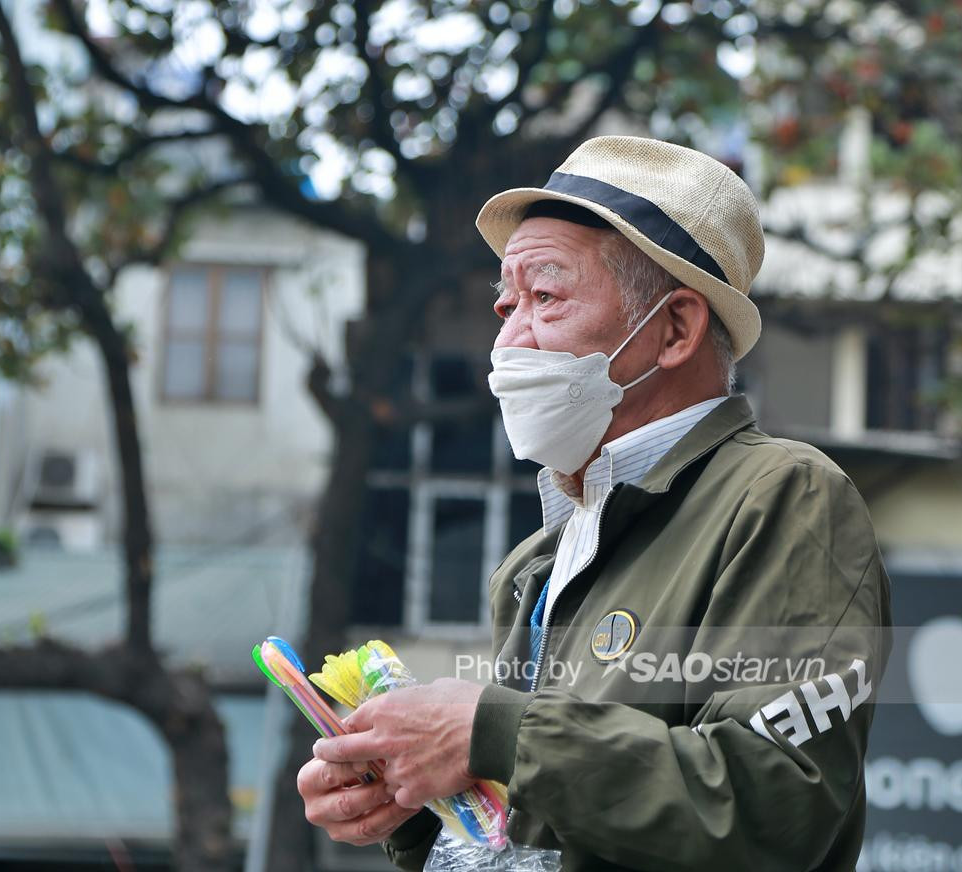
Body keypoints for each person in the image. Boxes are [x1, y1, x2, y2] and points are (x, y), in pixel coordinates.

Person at [297, 135, 893, 870]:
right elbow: (542, 835)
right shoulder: (537, 564)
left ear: (675, 329)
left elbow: (773, 807)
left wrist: (492, 733)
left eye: (545, 296)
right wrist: (412, 798)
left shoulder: (783, 498)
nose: (511, 340)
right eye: (506, 305)